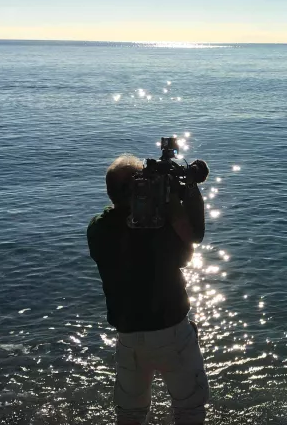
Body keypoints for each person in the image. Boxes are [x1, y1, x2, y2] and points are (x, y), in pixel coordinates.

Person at [87, 154, 210, 425]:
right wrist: (181, 198)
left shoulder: (98, 228)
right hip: (172, 334)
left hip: (129, 338)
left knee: (130, 414)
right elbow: (191, 244)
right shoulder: (162, 225)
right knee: (189, 410)